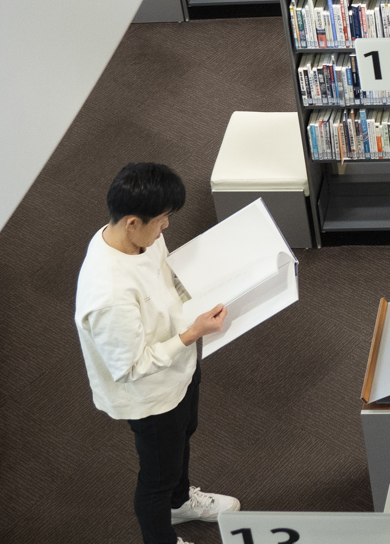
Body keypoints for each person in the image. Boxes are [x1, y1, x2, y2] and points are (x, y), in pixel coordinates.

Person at [75, 161, 239, 543]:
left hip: (180, 366)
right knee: (156, 478)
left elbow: (165, 277)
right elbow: (130, 367)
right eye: (162, 219)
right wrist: (191, 333)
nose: (166, 226)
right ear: (132, 221)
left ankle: (180, 503)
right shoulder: (109, 296)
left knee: (184, 437)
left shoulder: (141, 237)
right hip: (151, 397)